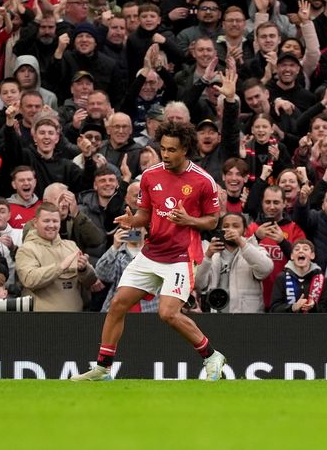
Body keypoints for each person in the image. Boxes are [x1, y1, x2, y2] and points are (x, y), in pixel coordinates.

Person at [72, 121, 224, 381]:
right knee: (118, 304)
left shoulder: (203, 181)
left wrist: (190, 221)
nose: (165, 155)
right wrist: (133, 221)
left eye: (172, 150)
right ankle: (103, 369)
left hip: (182, 255)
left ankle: (211, 356)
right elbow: (145, 214)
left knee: (167, 313)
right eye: (163, 149)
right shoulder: (151, 176)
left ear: (185, 149)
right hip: (152, 253)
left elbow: (213, 220)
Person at [15, 202, 96, 312]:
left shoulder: (71, 246)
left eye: (55, 221)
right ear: (35, 223)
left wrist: (84, 269)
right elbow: (30, 280)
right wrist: (60, 267)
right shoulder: (26, 249)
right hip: (42, 321)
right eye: (46, 221)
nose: (51, 225)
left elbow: (91, 281)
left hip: (76, 319)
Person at [195, 212, 273, 313]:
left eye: (236, 226)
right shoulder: (209, 251)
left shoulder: (254, 249)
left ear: (245, 231)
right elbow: (198, 285)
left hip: (248, 318)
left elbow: (266, 269)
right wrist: (208, 256)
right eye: (226, 226)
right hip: (216, 317)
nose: (230, 229)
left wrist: (241, 243)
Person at [269, 239, 326, 313]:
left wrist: (314, 307)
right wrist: (292, 307)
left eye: (305, 249)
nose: (301, 251)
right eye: (297, 249)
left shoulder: (320, 279)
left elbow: (326, 309)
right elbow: (274, 309)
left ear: (312, 255)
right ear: (292, 256)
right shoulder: (282, 277)